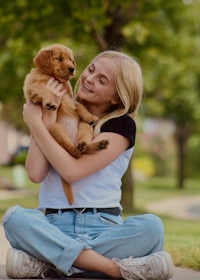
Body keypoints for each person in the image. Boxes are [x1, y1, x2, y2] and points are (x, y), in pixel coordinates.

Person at [2, 50, 174, 280]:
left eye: (102, 80)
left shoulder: (121, 126)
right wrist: (45, 121)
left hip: (103, 227)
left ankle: (48, 262)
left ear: (116, 97)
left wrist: (36, 123)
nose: (89, 78)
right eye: (91, 70)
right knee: (14, 218)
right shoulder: (59, 111)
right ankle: (114, 269)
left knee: (152, 227)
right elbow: (35, 173)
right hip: (54, 226)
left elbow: (72, 172)